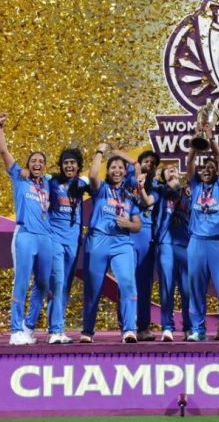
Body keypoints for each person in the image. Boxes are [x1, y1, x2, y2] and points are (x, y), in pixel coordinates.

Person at [0, 113, 59, 346]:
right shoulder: (19, 178)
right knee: (21, 281)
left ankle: (27, 327)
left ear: (45, 166)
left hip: (46, 238)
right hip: (25, 235)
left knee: (43, 284)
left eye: (41, 161)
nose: (37, 164)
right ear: (28, 165)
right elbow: (3, 152)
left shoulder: (48, 183)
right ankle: (14, 331)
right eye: (33, 161)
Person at [25, 148, 88, 344]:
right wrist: (26, 171)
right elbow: (35, 177)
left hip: (73, 241)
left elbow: (95, 178)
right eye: (65, 163)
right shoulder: (52, 181)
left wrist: (100, 153)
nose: (69, 166)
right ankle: (54, 330)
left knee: (64, 285)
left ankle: (55, 329)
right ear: (61, 165)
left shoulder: (82, 183)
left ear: (78, 165)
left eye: (72, 163)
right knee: (57, 282)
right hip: (55, 239)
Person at [81, 144, 142, 343]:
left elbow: (137, 225)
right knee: (93, 287)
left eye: (120, 168)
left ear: (125, 172)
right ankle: (87, 331)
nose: (117, 170)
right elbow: (92, 175)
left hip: (122, 242)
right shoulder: (101, 189)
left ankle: (129, 330)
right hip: (98, 240)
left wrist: (128, 224)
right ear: (107, 171)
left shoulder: (129, 196)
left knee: (128, 283)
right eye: (113, 167)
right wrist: (99, 152)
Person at [185, 123, 219, 342]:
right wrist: (196, 142)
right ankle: (198, 329)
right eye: (205, 168)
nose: (207, 170)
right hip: (196, 242)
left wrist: (212, 139)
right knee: (195, 287)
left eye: (211, 169)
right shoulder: (196, 186)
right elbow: (190, 163)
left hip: (218, 243)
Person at [138, 164, 192, 342]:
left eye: (174, 169)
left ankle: (189, 328)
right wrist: (141, 188)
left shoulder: (188, 192)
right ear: (163, 176)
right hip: (165, 243)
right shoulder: (160, 191)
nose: (172, 170)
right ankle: (167, 327)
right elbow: (147, 202)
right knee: (166, 288)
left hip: (185, 244)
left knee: (187, 290)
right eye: (167, 169)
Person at [128, 150, 161, 341]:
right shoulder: (127, 180)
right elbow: (117, 153)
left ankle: (143, 326)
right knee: (126, 282)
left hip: (146, 237)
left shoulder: (156, 187)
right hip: (127, 235)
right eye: (145, 161)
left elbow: (147, 201)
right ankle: (127, 326)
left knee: (144, 285)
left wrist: (141, 187)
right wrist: (135, 166)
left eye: (152, 163)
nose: (149, 164)